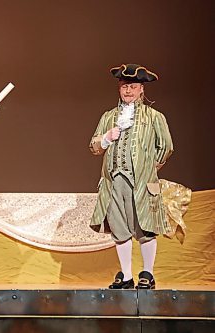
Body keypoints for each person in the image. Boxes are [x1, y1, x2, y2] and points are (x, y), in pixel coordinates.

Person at [89, 64, 174, 290]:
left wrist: (148, 168)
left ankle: (148, 273)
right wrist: (106, 138)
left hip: (142, 183)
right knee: (119, 228)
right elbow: (94, 146)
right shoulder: (109, 117)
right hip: (113, 181)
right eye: (124, 86)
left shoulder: (154, 117)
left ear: (141, 90)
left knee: (144, 226)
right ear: (119, 88)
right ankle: (126, 275)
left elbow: (165, 147)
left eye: (133, 87)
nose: (128, 91)